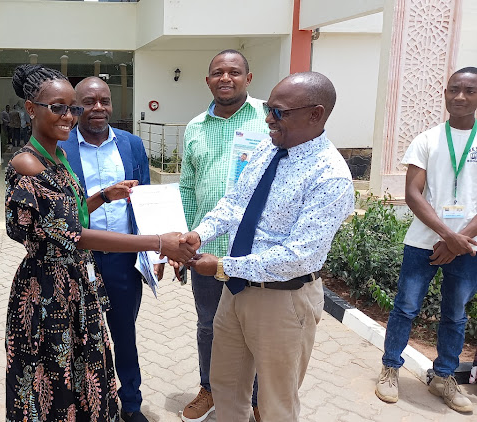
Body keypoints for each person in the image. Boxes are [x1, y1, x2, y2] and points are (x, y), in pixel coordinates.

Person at [4, 64, 195, 421]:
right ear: (31, 109)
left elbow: (69, 216)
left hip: (79, 279)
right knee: (53, 380)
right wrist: (157, 242)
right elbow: (72, 234)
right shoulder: (28, 163)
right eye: (58, 107)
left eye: (70, 108)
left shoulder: (55, 155)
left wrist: (104, 196)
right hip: (49, 290)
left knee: (90, 363)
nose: (69, 115)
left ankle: (129, 406)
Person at [178, 72, 355, 422]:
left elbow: (299, 256)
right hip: (237, 290)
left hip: (283, 301)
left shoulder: (330, 175)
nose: (267, 119)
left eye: (278, 112)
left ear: (315, 114)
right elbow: (236, 202)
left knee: (275, 403)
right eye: (269, 109)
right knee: (226, 386)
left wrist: (222, 266)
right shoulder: (267, 148)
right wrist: (201, 233)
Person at [375, 67, 477, 413]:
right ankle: (390, 369)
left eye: (469, 91)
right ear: (445, 93)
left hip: (469, 247)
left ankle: (443, 377)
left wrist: (458, 241)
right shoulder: (428, 139)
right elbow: (413, 193)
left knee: (455, 314)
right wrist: (449, 237)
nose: (460, 97)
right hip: (423, 243)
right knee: (405, 308)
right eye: (454, 90)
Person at [177, 49, 267, 422]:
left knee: (259, 330)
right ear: (208, 80)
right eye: (218, 72)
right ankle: (210, 388)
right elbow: (186, 187)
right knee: (208, 325)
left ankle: (261, 400)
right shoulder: (195, 127)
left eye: (234, 72)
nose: (225, 78)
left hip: (257, 252)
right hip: (207, 250)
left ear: (248, 78)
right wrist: (183, 246)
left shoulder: (269, 119)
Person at [58, 76, 151, 422]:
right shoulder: (60, 147)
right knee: (79, 336)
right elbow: (61, 211)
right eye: (89, 101)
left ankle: (130, 404)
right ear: (74, 107)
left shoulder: (131, 145)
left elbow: (145, 202)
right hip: (78, 260)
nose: (98, 108)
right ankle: (86, 404)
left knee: (124, 334)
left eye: (105, 101)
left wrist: (150, 253)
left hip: (124, 262)